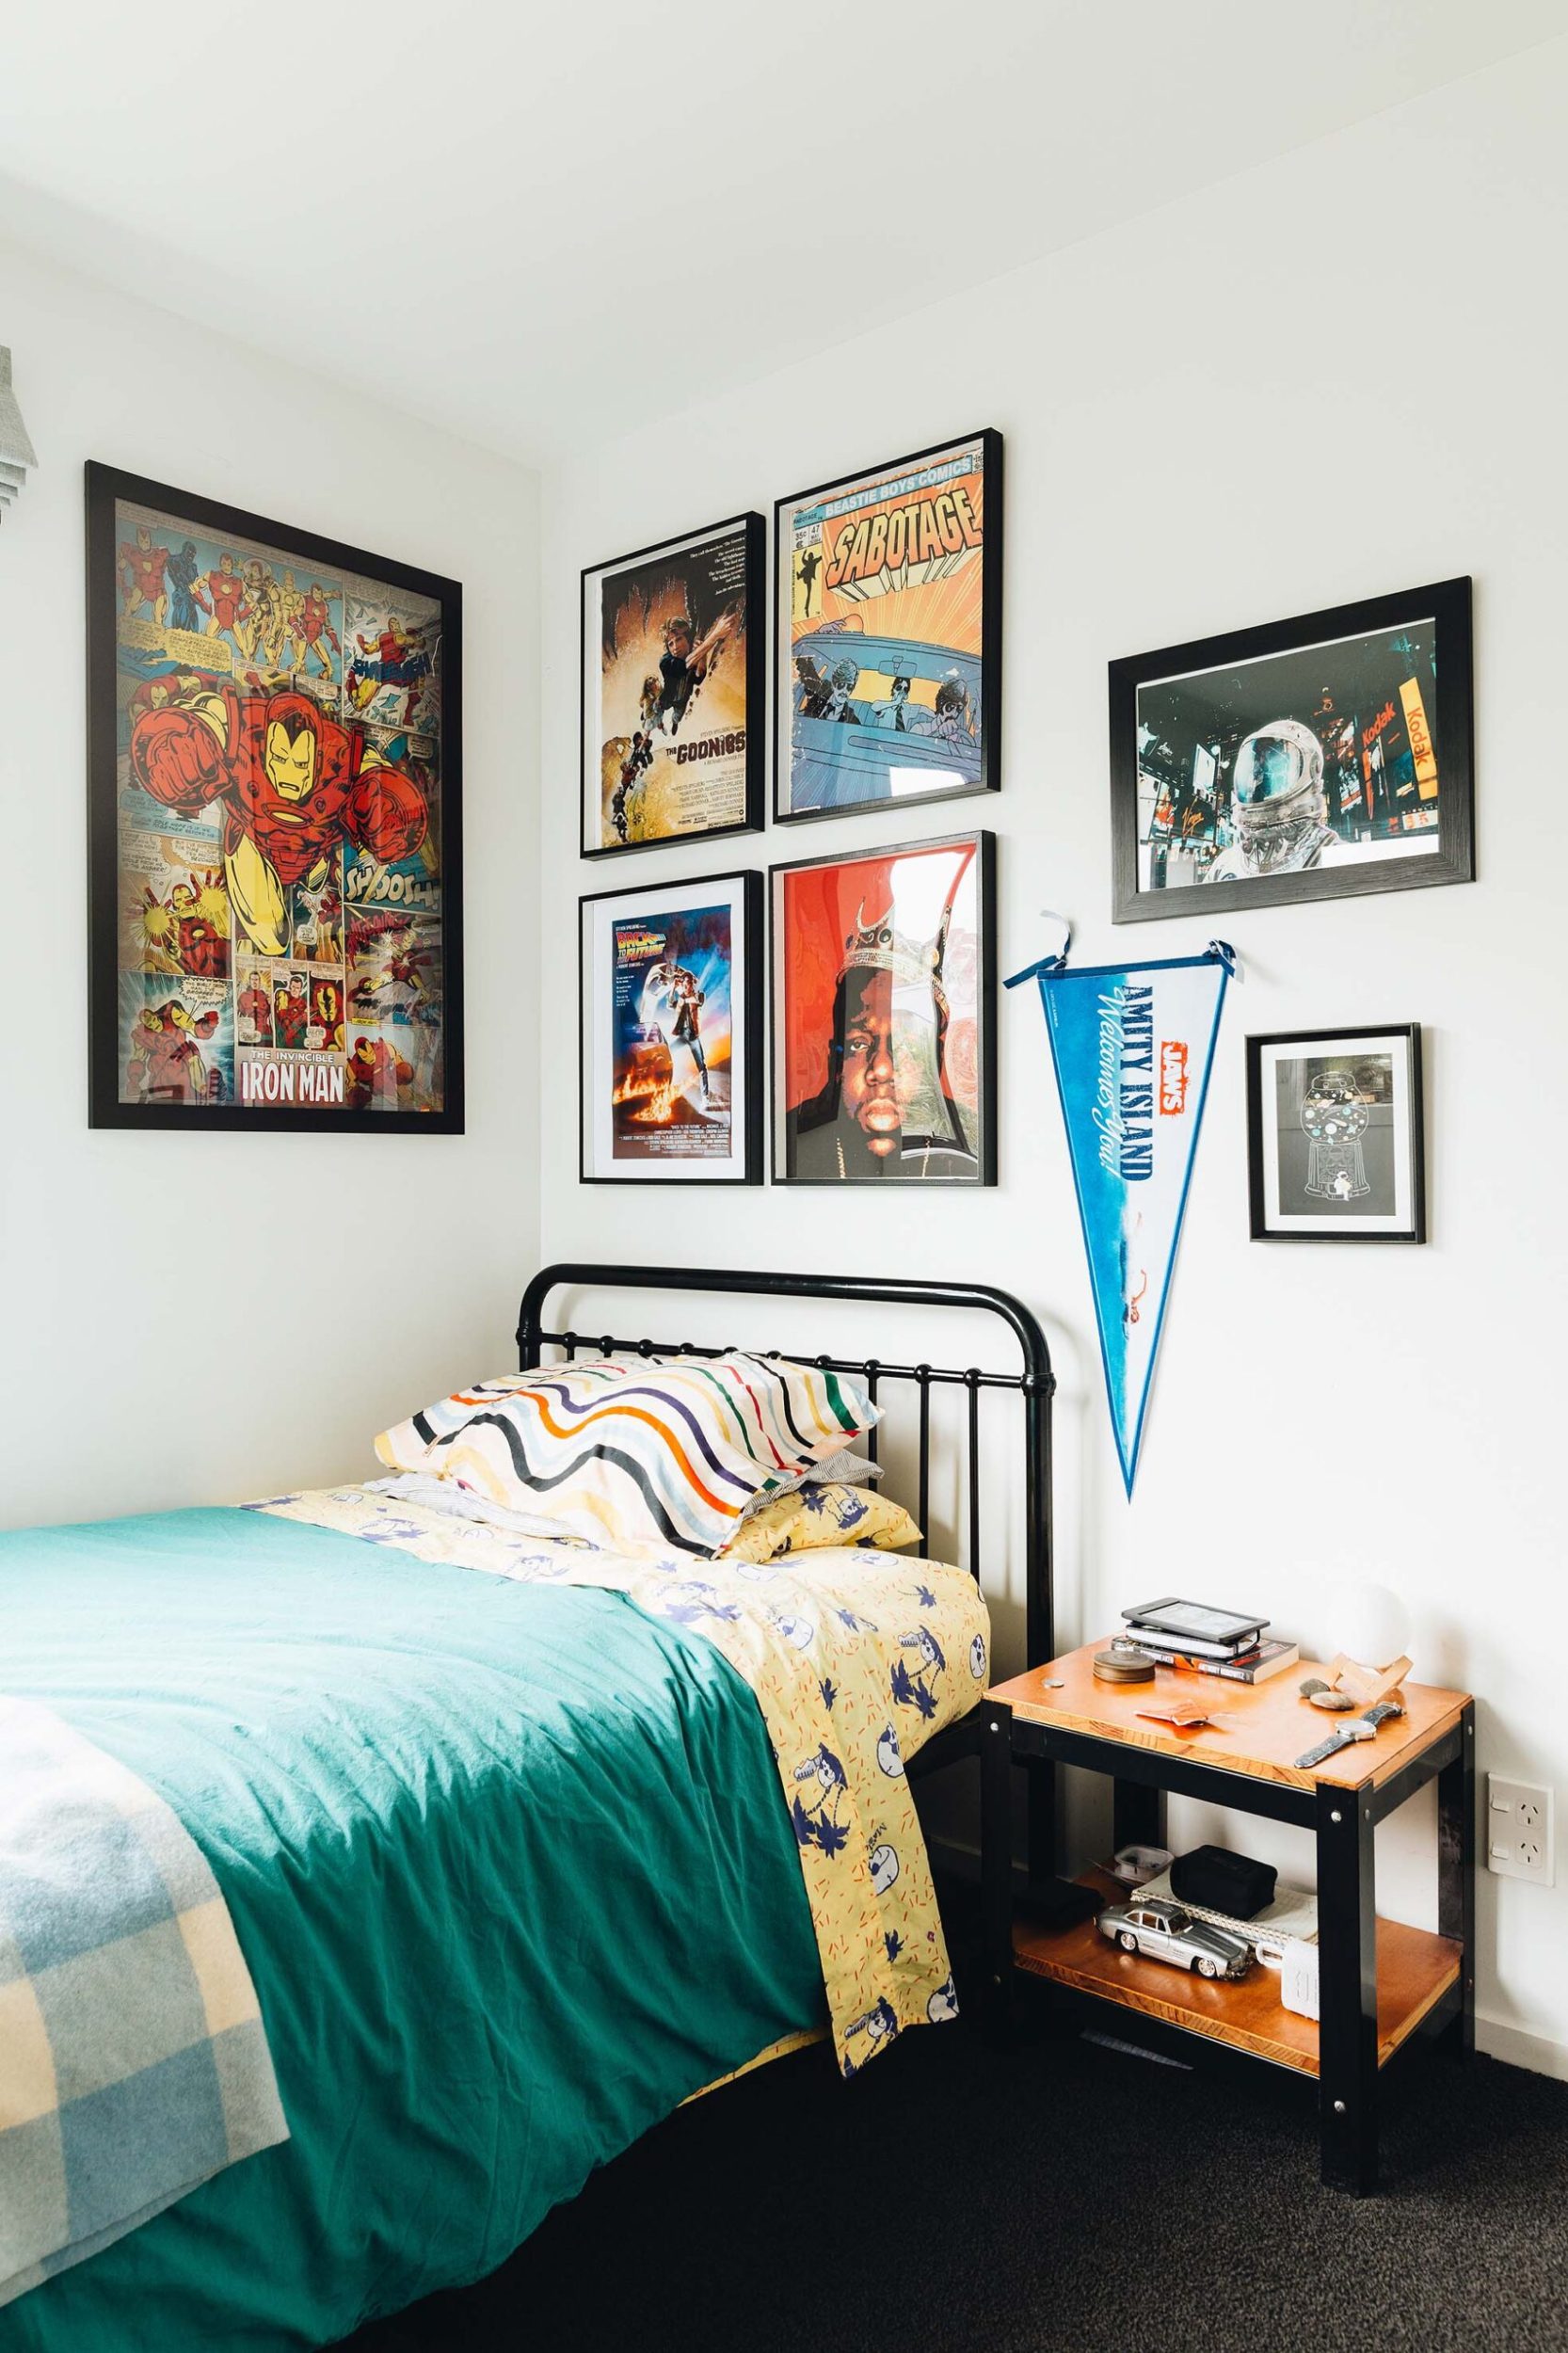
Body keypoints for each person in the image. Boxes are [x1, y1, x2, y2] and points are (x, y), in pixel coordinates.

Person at [127, 671, 428, 958]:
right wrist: (174, 740)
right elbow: (208, 716)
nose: (289, 776)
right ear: (267, 744)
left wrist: (393, 813)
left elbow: (387, 789)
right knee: (271, 942)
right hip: (253, 842)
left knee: (314, 878)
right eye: (280, 758)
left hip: (313, 848)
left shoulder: (345, 758)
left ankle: (314, 869)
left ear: (316, 757)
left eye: (300, 764)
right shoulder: (239, 731)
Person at [785, 900, 975, 1181]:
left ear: (936, 1059)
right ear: (834, 1063)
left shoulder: (971, 1140)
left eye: (904, 1044)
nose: (882, 1070)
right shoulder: (789, 1139)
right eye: (859, 1044)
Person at [1208, 717, 1347, 880]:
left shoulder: (1334, 855)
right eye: (1257, 761)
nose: (1259, 772)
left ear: (1311, 770)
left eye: (1274, 762)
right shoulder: (1227, 863)